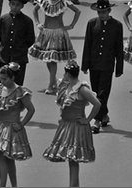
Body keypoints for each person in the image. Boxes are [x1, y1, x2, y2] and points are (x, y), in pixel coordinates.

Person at [43, 60, 101, 188]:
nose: (64, 76)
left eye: (65, 73)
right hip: (66, 125)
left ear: (68, 74)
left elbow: (97, 104)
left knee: (73, 159)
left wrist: (88, 119)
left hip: (77, 127)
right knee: (71, 159)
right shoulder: (67, 86)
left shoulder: (82, 89)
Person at [29, 0, 81, 94]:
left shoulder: (64, 1)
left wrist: (71, 26)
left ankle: (51, 84)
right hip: (45, 33)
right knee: (48, 59)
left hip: (58, 33)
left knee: (52, 60)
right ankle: (53, 82)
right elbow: (35, 10)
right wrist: (37, 23)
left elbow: (77, 11)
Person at [82, 0, 124, 133]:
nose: (102, 14)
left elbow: (119, 47)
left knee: (103, 93)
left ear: (109, 10)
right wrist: (85, 64)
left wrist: (119, 67)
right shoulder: (91, 23)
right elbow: (87, 45)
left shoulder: (117, 25)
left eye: (104, 12)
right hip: (94, 63)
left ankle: (97, 120)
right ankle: (104, 114)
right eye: (99, 12)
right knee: (95, 92)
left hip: (107, 64)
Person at [0, 0, 35, 85]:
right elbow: (2, 36)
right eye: (12, 4)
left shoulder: (27, 21)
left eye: (17, 5)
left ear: (22, 6)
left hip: (19, 57)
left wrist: (20, 48)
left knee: (17, 83)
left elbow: (30, 39)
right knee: (2, 82)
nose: (14, 7)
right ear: (9, 4)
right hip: (4, 56)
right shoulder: (3, 19)